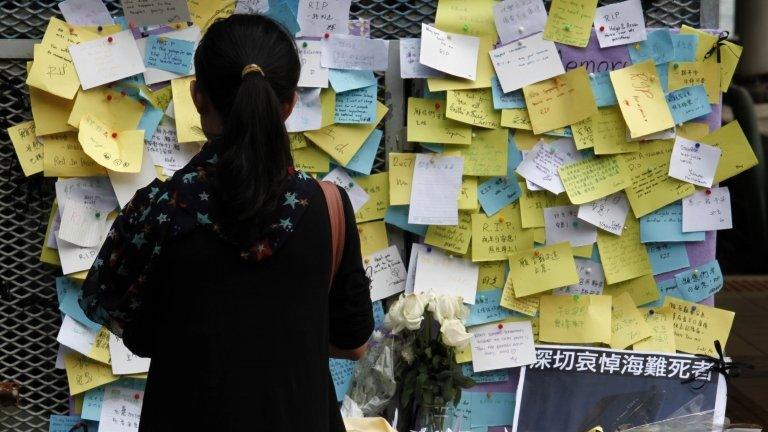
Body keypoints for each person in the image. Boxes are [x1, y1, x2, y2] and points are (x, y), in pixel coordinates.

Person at [79, 14, 374, 431]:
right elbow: (354, 343)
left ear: (198, 97)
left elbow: (132, 328)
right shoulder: (329, 208)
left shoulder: (161, 208)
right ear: (288, 104)